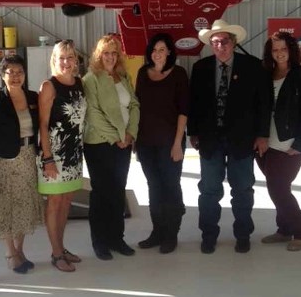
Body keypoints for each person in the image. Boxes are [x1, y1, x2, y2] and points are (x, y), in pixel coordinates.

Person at [188, 19, 271, 254]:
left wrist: (262, 135)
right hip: (210, 140)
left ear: (233, 42)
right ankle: (208, 234)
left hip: (242, 140)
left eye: (224, 41)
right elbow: (194, 103)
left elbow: (263, 104)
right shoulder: (201, 68)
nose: (219, 46)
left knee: (243, 189)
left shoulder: (253, 67)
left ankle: (243, 234)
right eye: (214, 42)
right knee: (209, 190)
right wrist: (192, 132)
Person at [256, 31, 301, 251]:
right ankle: (283, 230)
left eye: (283, 48)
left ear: (291, 50)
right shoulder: (266, 74)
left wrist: (300, 144)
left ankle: (300, 233)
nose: (279, 53)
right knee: (277, 187)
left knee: (278, 188)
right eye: (275, 49)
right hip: (265, 142)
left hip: (288, 142)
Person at [83, 34, 140, 260]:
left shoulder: (123, 76)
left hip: (123, 143)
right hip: (99, 144)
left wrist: (130, 133)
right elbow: (93, 113)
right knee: (101, 193)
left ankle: (117, 238)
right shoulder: (90, 79)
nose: (110, 57)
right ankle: (100, 241)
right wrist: (116, 137)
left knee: (118, 191)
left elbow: (134, 105)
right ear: (99, 55)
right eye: (106, 53)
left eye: (114, 53)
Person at [0, 55, 44, 273]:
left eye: (19, 72)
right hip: (6, 158)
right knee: (7, 204)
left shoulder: (32, 96)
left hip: (29, 155)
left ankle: (21, 251)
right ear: (2, 75)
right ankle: (10, 253)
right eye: (10, 72)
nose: (15, 76)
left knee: (25, 202)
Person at [135, 33, 189, 254]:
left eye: (162, 49)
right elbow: (137, 106)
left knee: (170, 187)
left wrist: (177, 143)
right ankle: (157, 232)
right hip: (146, 142)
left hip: (170, 143)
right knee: (154, 188)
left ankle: (171, 234)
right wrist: (136, 142)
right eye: (154, 50)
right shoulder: (142, 73)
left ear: (169, 52)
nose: (157, 54)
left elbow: (184, 111)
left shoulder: (179, 74)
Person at [37, 40, 86, 272]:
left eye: (70, 57)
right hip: (54, 154)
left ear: (76, 60)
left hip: (74, 153)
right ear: (54, 60)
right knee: (55, 202)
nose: (66, 62)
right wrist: (47, 158)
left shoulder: (79, 84)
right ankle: (56, 253)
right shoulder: (49, 86)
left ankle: (62, 246)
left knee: (67, 201)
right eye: (61, 58)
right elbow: (43, 124)